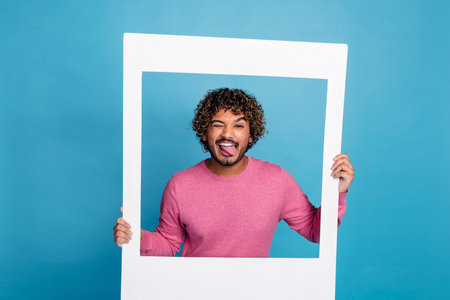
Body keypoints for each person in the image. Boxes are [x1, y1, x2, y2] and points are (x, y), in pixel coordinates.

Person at [113, 88, 354, 257]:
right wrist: (137, 238)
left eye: (238, 125)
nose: (228, 134)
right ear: (204, 133)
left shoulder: (277, 180)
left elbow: (316, 231)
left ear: (251, 135)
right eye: (218, 125)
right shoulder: (180, 184)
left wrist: (338, 193)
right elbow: (168, 243)